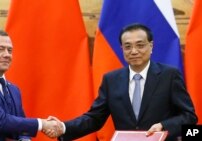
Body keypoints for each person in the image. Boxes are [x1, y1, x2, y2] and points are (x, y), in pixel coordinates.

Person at [46, 23, 198, 141]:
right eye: (128, 46)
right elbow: (94, 118)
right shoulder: (111, 80)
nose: (133, 51)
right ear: (122, 49)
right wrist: (63, 127)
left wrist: (163, 126)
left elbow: (189, 116)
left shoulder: (169, 75)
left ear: (151, 46)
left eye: (140, 45)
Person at [0, 29, 61, 141]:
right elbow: (1, 121)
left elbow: (21, 127)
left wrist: (24, 139)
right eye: (0, 49)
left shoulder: (14, 90)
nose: (7, 55)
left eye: (10, 50)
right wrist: (42, 124)